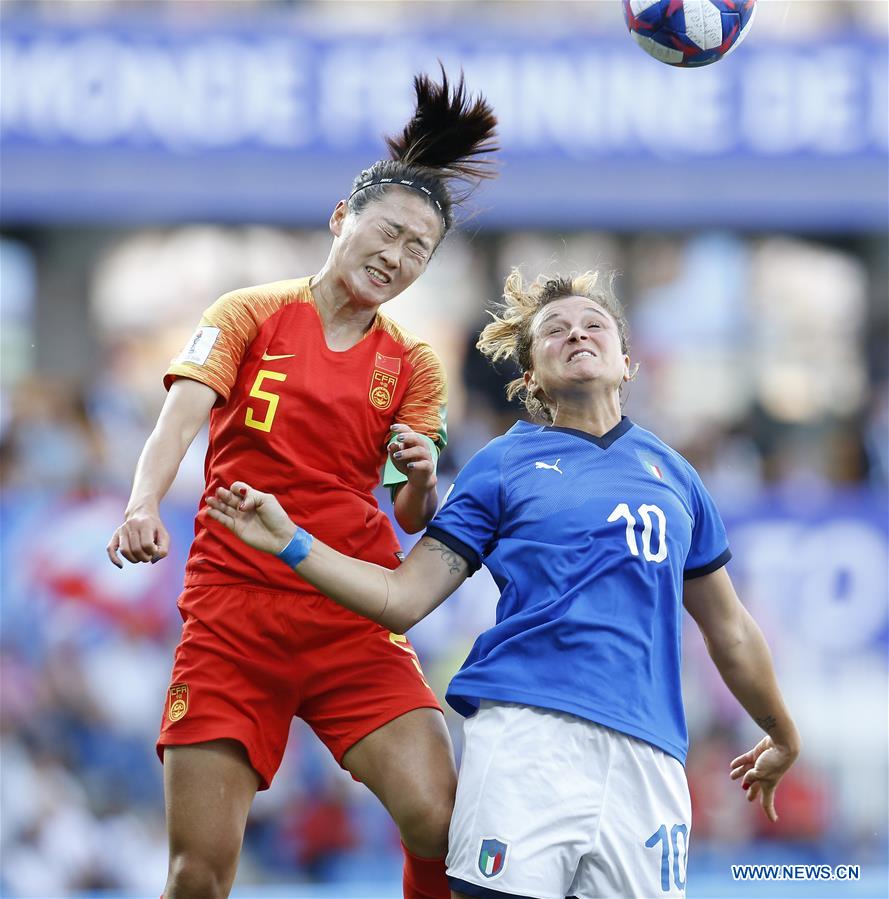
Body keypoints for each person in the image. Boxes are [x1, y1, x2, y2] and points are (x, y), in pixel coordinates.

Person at [206, 269, 802, 899]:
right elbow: (401, 600)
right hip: (526, 740)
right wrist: (291, 543)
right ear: (529, 380)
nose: (577, 333)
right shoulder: (499, 466)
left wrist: (783, 734)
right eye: (555, 330)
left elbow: (729, 629)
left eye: (594, 324)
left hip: (650, 758)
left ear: (627, 363)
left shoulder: (677, 476)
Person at [106, 68, 498, 899]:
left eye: (416, 250)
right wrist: (142, 504)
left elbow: (406, 509)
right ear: (339, 218)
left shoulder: (414, 363)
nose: (394, 257)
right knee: (196, 874)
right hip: (232, 617)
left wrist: (423, 477)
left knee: (441, 816)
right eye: (385, 232)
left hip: (350, 617)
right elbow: (177, 421)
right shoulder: (250, 310)